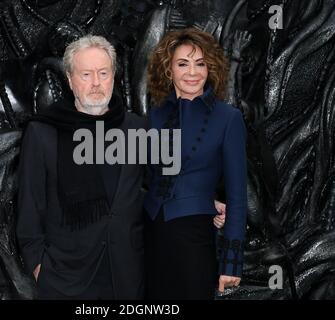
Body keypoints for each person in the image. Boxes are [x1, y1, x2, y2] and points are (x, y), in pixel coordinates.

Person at [16, 35, 147, 299]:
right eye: (86, 74)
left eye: (103, 73)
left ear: (113, 77)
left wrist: (204, 203)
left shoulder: (137, 128)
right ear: (70, 79)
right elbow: (30, 209)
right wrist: (39, 268)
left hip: (128, 276)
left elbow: (162, 189)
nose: (96, 83)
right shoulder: (42, 132)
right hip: (65, 279)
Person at [144, 28, 247, 299]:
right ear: (168, 70)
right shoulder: (154, 116)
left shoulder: (228, 118)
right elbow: (145, 179)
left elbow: (237, 195)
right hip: (151, 235)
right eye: (183, 64)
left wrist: (231, 263)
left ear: (210, 68)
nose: (193, 72)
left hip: (194, 239)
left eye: (200, 63)